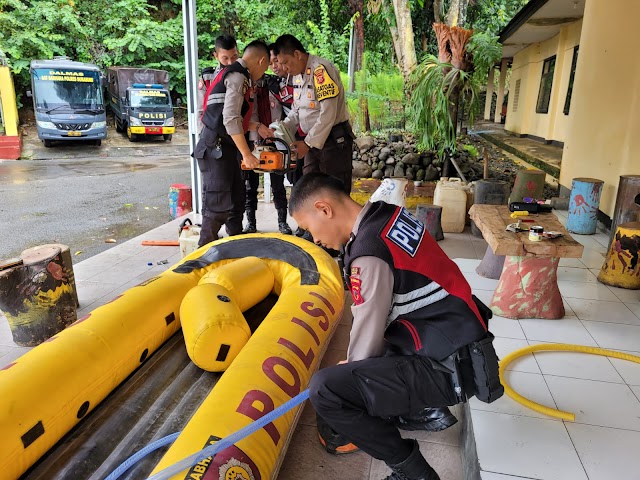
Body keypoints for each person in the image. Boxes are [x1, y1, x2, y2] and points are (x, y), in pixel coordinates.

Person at [288, 173, 501, 480]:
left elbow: (367, 326)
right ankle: (415, 409)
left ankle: (414, 472)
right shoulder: (389, 215)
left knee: (327, 389)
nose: (315, 239)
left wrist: (352, 373)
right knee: (353, 372)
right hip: (460, 346)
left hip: (445, 366)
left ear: (324, 209)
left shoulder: (368, 252)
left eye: (309, 229)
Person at [193, 40, 271, 247]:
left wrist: (256, 126)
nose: (264, 72)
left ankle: (235, 254)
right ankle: (200, 261)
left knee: (236, 206)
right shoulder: (238, 76)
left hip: (228, 149)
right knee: (217, 209)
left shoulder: (238, 75)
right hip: (215, 149)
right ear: (262, 60)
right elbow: (229, 119)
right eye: (266, 67)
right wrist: (247, 154)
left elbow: (233, 116)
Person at [242, 45, 294, 235]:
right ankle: (251, 223)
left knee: (278, 184)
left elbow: (288, 109)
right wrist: (254, 138)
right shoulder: (247, 84)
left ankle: (282, 222)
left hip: (276, 139)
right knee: (251, 185)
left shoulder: (278, 84)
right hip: (254, 140)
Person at [197, 35, 240, 132]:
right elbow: (200, 111)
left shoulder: (244, 75)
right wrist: (202, 135)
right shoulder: (208, 78)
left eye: (234, 57)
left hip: (237, 130)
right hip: (213, 133)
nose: (230, 62)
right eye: (225, 58)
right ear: (216, 56)